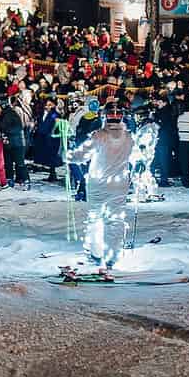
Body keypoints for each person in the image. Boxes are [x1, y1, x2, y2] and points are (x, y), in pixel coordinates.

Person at [68, 106, 134, 267]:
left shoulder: (99, 136)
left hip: (98, 184)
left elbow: (81, 155)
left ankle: (95, 252)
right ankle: (113, 254)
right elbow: (135, 156)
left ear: (105, 118)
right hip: (119, 184)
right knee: (116, 220)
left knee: (95, 217)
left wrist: (68, 154)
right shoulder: (129, 137)